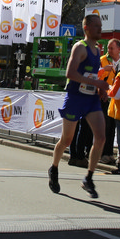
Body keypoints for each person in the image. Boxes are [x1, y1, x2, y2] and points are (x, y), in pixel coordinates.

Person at [47, 14, 111, 198]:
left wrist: (100, 89)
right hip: (75, 97)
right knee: (66, 140)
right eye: (96, 26)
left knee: (101, 137)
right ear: (86, 28)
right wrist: (97, 83)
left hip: (91, 99)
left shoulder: (97, 50)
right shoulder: (80, 47)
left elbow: (92, 75)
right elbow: (70, 73)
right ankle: (54, 168)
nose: (100, 29)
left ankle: (88, 178)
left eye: (101, 25)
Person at [98, 38, 120, 165]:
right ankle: (104, 154)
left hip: (117, 99)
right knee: (106, 127)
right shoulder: (102, 60)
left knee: (113, 127)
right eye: (108, 47)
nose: (109, 50)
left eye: (111, 48)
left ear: (119, 49)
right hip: (105, 98)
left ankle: (109, 153)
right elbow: (97, 77)